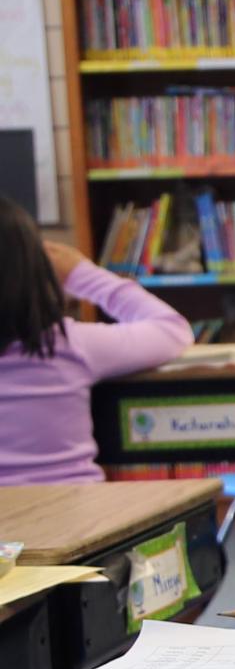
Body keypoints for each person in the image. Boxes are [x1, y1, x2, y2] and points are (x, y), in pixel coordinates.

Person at [0, 197, 193, 484]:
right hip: (77, 518)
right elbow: (172, 329)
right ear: (38, 269)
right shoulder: (70, 344)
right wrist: (82, 275)